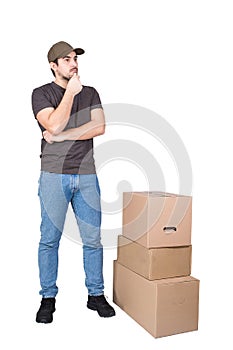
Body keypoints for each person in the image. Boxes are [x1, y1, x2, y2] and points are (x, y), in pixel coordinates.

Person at [31, 41, 115, 323]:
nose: (73, 63)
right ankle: (48, 297)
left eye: (75, 58)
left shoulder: (91, 92)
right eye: (66, 59)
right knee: (49, 240)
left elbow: (99, 127)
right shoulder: (41, 93)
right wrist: (69, 95)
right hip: (54, 175)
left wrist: (61, 136)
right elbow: (51, 124)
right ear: (53, 65)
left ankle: (95, 295)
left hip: (87, 174)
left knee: (93, 239)